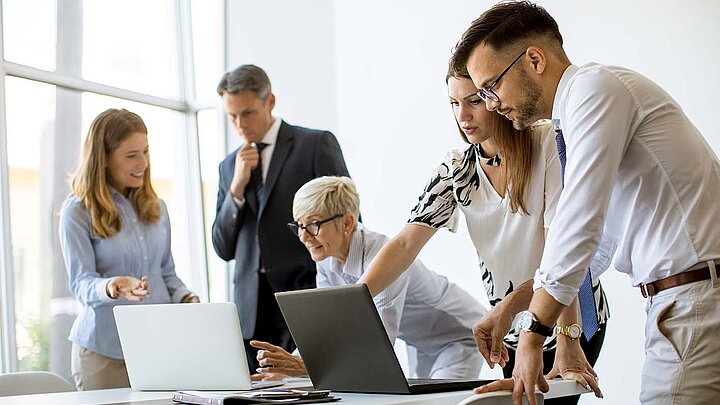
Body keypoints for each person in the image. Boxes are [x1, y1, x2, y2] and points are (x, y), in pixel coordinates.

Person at [449, 2, 720, 404]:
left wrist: (532, 335)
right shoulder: (579, 113)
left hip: (692, 299)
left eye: (491, 87)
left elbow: (578, 226)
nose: (490, 105)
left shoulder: (594, 90)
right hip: (682, 301)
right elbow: (592, 254)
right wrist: (514, 305)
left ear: (534, 60)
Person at [357, 67, 608, 404]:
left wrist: (568, 340)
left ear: (495, 96)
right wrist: (354, 304)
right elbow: (404, 244)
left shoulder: (547, 143)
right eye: (454, 103)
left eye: (473, 100)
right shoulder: (457, 168)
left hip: (566, 316)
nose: (463, 115)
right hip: (508, 326)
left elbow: (562, 253)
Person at [251, 176, 485, 380]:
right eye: (299, 226)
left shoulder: (382, 257)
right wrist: (284, 368)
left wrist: (306, 368)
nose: (304, 237)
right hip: (421, 343)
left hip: (459, 336)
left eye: (312, 225)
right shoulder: (325, 257)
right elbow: (327, 326)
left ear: (347, 223)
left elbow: (376, 348)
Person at [212, 65, 353, 373]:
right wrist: (236, 188)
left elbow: (348, 221)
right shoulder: (228, 167)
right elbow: (223, 248)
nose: (239, 125)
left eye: (247, 113)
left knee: (309, 388)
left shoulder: (314, 144)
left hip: (306, 296)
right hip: (251, 311)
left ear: (270, 101)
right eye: (232, 116)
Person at [59, 108, 199, 390]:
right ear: (105, 158)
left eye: (146, 152)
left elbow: (166, 274)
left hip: (156, 347)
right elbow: (81, 283)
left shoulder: (157, 207)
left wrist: (188, 298)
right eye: (132, 155)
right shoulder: (77, 212)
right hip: (104, 354)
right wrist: (113, 286)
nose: (144, 163)